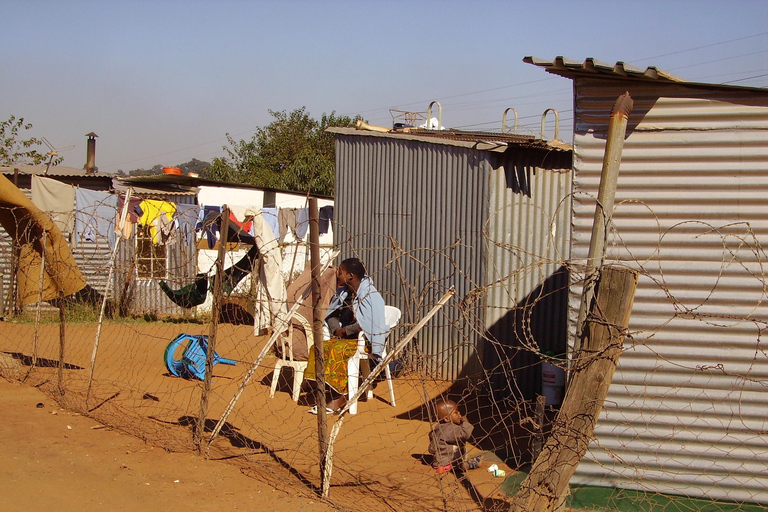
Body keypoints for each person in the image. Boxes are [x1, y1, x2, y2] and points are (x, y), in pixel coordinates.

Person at [304, 257, 387, 413]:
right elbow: (331, 315)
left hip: (365, 340)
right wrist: (337, 329)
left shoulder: (370, 295)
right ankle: (323, 387)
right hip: (345, 338)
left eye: (340, 272)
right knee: (319, 347)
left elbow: (370, 323)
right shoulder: (344, 293)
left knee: (337, 351)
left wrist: (346, 331)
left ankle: (340, 397)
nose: (337, 276)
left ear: (350, 275)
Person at [428, 399, 481, 473]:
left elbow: (431, 439)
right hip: (450, 463)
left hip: (438, 462)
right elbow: (465, 435)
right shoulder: (451, 429)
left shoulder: (438, 428)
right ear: (447, 419)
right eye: (455, 413)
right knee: (463, 465)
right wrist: (466, 423)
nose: (459, 413)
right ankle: (471, 464)